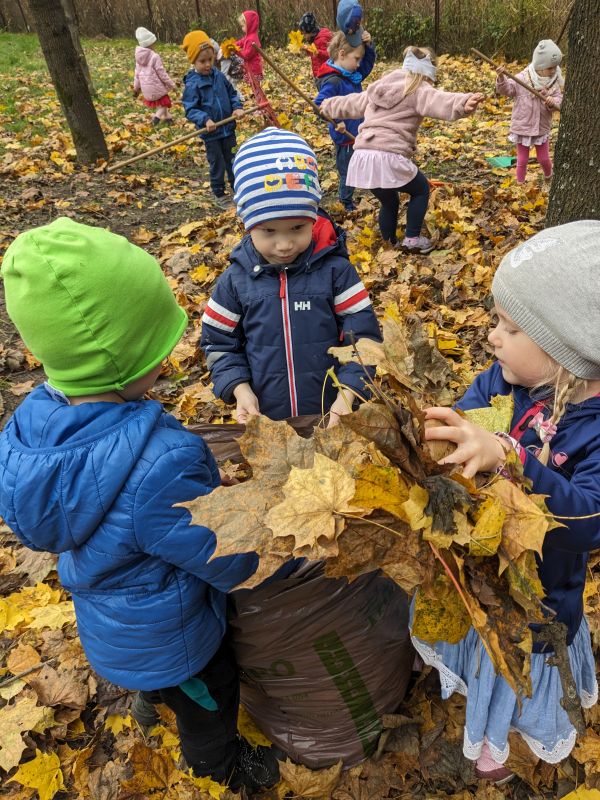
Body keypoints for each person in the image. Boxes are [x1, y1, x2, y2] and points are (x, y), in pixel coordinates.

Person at [0, 218, 281, 793]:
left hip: (109, 622)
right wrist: (281, 553)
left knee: (160, 683)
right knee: (211, 695)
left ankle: (151, 702)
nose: (170, 355)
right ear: (123, 361)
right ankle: (217, 767)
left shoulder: (31, 428)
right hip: (175, 636)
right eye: (158, 344)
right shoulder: (161, 462)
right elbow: (220, 553)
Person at [420, 221, 600, 782]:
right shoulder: (507, 383)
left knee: (516, 669)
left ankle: (499, 739)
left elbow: (588, 521)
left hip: (542, 600)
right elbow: (471, 413)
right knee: (478, 642)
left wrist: (513, 460)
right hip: (481, 571)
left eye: (511, 327)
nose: (492, 336)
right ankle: (477, 698)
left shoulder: (593, 429)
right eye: (498, 319)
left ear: (566, 348)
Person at [200, 127, 381, 424]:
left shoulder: (336, 271)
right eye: (269, 231)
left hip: (333, 414)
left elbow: (364, 340)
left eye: (297, 228)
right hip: (270, 422)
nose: (284, 245)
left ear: (313, 218)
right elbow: (218, 342)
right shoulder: (235, 281)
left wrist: (348, 395)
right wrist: (240, 389)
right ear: (247, 223)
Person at [320, 46, 484, 254]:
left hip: (363, 155)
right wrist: (463, 102)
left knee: (389, 201)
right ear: (428, 73)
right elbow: (440, 100)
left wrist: (327, 106)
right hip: (388, 155)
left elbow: (352, 103)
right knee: (421, 189)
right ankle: (412, 239)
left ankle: (389, 244)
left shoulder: (379, 87)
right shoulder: (419, 89)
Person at [181, 30, 244, 210]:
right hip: (212, 133)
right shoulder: (193, 83)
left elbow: (232, 94)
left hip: (228, 128)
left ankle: (237, 188)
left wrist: (237, 107)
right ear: (193, 61)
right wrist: (205, 119)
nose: (208, 64)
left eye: (210, 59)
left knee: (232, 159)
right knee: (217, 162)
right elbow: (190, 109)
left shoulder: (218, 76)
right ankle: (219, 193)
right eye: (202, 61)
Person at [315, 28, 375, 212]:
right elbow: (319, 104)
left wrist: (369, 46)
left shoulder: (351, 74)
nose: (359, 64)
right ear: (342, 54)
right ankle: (345, 203)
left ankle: (349, 197)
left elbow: (367, 66)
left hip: (356, 131)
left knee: (355, 167)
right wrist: (336, 119)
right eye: (356, 59)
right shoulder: (334, 81)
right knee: (347, 172)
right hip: (344, 136)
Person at [496, 39, 563, 184]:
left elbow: (559, 100)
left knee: (544, 158)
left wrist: (553, 101)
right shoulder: (523, 78)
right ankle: (520, 184)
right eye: (550, 68)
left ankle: (549, 178)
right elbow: (507, 89)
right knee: (522, 159)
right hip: (523, 126)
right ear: (540, 66)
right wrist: (501, 77)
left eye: (555, 67)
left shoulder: (554, 82)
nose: (554, 71)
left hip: (541, 127)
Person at [133, 26, 176, 126]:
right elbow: (162, 73)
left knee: (161, 102)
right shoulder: (154, 56)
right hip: (156, 87)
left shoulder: (138, 58)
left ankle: (168, 119)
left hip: (146, 89)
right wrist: (171, 84)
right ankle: (156, 118)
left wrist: (136, 88)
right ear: (150, 43)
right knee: (165, 103)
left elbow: (137, 74)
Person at [298, 12, 332, 79]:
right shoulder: (314, 38)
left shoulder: (322, 39)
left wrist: (318, 52)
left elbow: (329, 55)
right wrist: (307, 49)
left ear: (310, 31)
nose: (304, 36)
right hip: (318, 73)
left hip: (325, 74)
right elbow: (314, 53)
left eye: (305, 34)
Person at [236, 10, 263, 82]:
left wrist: (236, 51)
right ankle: (254, 93)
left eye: (243, 26)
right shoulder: (248, 36)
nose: (242, 28)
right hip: (250, 68)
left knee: (256, 87)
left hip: (254, 70)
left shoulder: (252, 39)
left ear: (249, 24)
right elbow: (241, 42)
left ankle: (257, 93)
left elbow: (246, 55)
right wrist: (234, 45)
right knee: (252, 85)